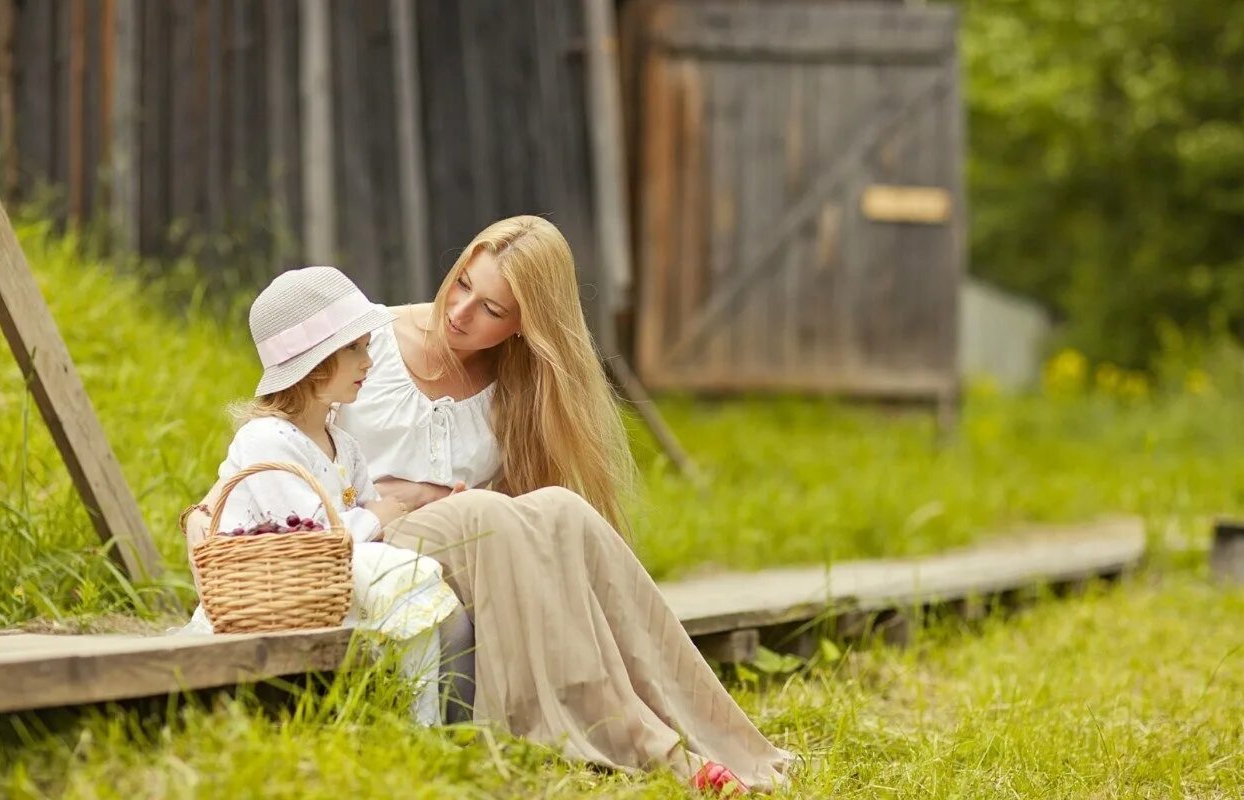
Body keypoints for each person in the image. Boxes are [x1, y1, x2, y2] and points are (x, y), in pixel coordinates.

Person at [187, 217, 790, 794]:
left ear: (527, 327)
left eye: (491, 310)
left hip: (454, 551)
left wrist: (450, 500)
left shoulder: (522, 390)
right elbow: (271, 448)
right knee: (485, 516)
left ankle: (715, 735)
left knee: (563, 509)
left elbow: (531, 525)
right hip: (366, 551)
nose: (459, 312)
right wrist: (204, 519)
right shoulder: (360, 344)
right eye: (462, 284)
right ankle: (636, 742)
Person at [180, 266, 462, 727]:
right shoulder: (266, 440)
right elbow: (312, 536)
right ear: (313, 362)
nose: (368, 362)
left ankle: (422, 715)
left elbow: (371, 519)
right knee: (409, 574)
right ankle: (421, 721)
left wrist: (390, 513)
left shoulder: (343, 445)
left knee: (411, 574)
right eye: (354, 349)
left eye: (367, 347)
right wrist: (379, 515)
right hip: (276, 593)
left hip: (327, 587)